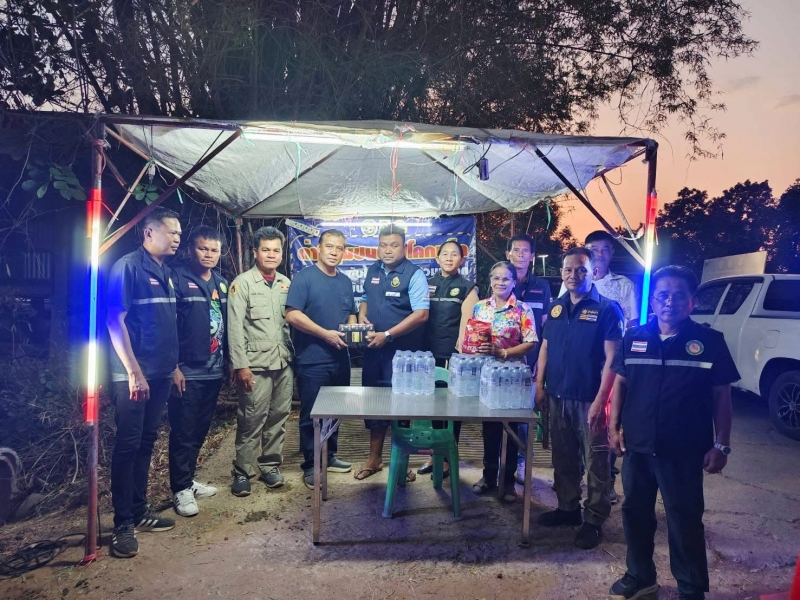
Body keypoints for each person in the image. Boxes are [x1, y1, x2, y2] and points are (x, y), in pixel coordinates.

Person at [607, 266, 737, 600]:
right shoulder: (634, 338)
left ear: (692, 302)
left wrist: (721, 444)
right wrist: (613, 426)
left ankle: (691, 588)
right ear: (653, 300)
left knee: (684, 518)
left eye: (679, 295)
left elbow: (721, 396)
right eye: (663, 295)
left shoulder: (710, 342)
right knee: (635, 513)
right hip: (638, 445)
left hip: (684, 449)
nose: (670, 302)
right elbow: (620, 383)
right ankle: (640, 576)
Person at [105, 208, 182, 558]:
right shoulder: (128, 267)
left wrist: (174, 367)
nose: (177, 238)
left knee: (147, 441)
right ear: (150, 233)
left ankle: (139, 510)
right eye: (171, 232)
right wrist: (134, 372)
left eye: (179, 233)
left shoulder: (165, 272)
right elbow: (114, 320)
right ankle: (122, 524)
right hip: (133, 376)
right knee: (128, 445)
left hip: (161, 373)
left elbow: (165, 325)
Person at [535, 247, 623, 550]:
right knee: (563, 457)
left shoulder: (608, 309)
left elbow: (613, 359)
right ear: (561, 273)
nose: (574, 275)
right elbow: (546, 347)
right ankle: (568, 508)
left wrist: (601, 400)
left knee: (596, 461)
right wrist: (539, 385)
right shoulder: (556, 307)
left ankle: (594, 520)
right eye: (568, 270)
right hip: (557, 395)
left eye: (581, 269)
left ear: (593, 272)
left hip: (589, 398)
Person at [354, 224, 429, 482]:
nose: (387, 250)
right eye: (383, 245)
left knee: (401, 408)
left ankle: (402, 462)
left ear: (404, 247)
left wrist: (387, 335)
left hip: (402, 355)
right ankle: (374, 459)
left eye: (394, 245)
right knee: (374, 404)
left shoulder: (415, 274)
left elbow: (421, 314)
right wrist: (362, 315)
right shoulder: (373, 270)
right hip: (374, 352)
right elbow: (365, 297)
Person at [285, 229, 356, 489]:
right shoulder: (304, 278)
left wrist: (353, 328)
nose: (334, 252)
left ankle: (330, 455)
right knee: (312, 414)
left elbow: (351, 313)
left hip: (341, 358)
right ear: (319, 248)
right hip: (312, 359)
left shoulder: (345, 281)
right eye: (329, 246)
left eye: (339, 248)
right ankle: (311, 465)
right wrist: (325, 334)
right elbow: (292, 314)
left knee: (336, 410)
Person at [227, 226, 293, 496]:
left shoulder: (285, 284)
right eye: (266, 249)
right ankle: (242, 472)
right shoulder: (242, 283)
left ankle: (270, 465)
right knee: (251, 420)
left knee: (278, 417)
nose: (271, 255)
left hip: (283, 363)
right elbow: (234, 328)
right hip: (255, 365)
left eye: (276, 250)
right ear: (255, 252)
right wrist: (241, 366)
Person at [168, 226, 228, 517]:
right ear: (190, 249)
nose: (208, 254)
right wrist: (173, 367)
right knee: (183, 430)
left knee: (201, 428)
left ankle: (188, 480)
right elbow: (167, 325)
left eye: (214, 250)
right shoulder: (176, 279)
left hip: (214, 370)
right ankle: (179, 488)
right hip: (187, 371)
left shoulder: (221, 283)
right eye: (203, 248)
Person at [470, 261, 537, 500]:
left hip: (513, 379)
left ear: (514, 282)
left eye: (506, 278)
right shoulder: (479, 307)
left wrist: (504, 353)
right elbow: (473, 337)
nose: (500, 282)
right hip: (487, 377)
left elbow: (531, 342)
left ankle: (508, 482)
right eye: (496, 278)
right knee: (489, 430)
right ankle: (489, 476)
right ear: (490, 280)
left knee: (511, 431)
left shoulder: (522, 309)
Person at [417, 239, 479, 477]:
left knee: (451, 408)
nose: (449, 258)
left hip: (451, 354)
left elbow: (468, 322)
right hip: (427, 352)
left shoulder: (467, 287)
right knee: (433, 407)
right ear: (437, 258)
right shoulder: (427, 284)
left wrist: (461, 348)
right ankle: (435, 455)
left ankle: (448, 458)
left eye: (455, 254)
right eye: (445, 254)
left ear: (461, 260)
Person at [505, 233, 552, 485]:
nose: (520, 254)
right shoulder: (501, 281)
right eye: (516, 250)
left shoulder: (542, 286)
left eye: (525, 251)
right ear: (508, 254)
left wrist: (540, 363)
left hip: (531, 362)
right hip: (502, 363)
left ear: (532, 256)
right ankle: (500, 466)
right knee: (500, 417)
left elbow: (545, 328)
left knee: (525, 417)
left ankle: (523, 462)